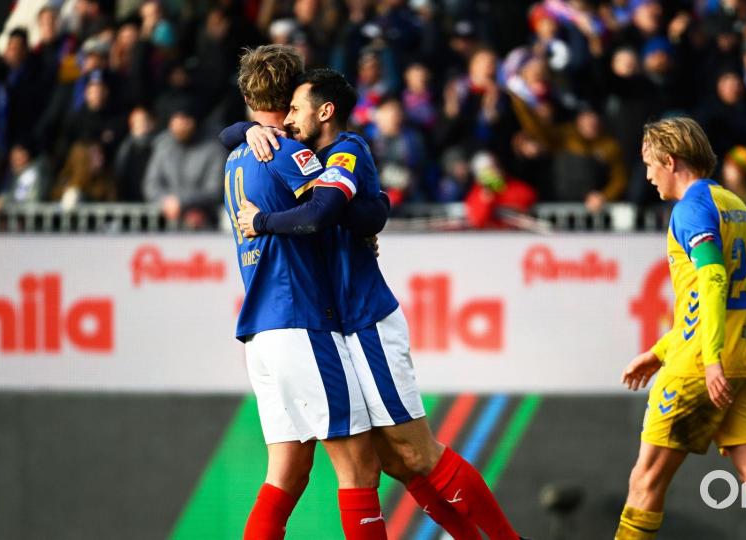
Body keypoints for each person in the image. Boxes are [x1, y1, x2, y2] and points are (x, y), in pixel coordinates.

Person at [221, 68, 524, 540]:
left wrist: (264, 221)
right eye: (290, 109)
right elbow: (361, 209)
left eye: (299, 109)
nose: (292, 119)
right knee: (396, 462)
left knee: (417, 453)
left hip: (365, 320)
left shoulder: (344, 150)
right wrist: (246, 129)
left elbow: (328, 212)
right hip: (337, 325)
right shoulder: (295, 154)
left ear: (325, 111)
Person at [222, 45, 389, 540]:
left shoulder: (235, 156)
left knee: (287, 475)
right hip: (300, 322)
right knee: (360, 467)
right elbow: (330, 209)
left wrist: (240, 129)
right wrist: (373, 214)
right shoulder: (288, 153)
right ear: (291, 96)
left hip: (260, 334)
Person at [616, 117, 746, 540]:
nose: (648, 175)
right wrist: (660, 351)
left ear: (670, 160)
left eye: (649, 164)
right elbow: (717, 300)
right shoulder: (734, 204)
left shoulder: (690, 208)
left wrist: (711, 358)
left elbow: (714, 280)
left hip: (702, 365)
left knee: (645, 482)